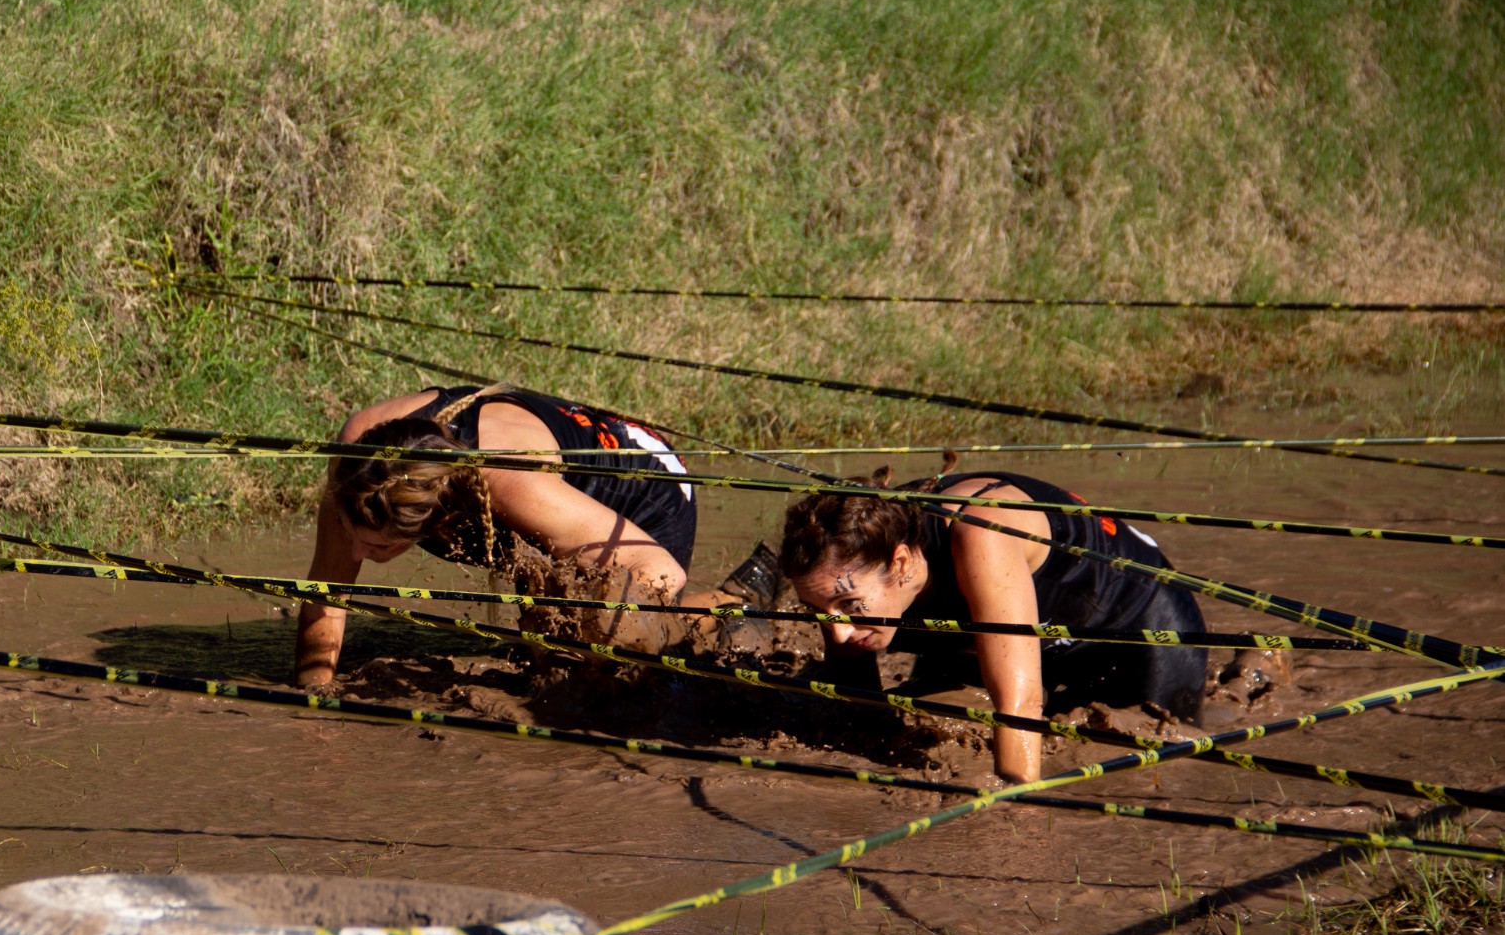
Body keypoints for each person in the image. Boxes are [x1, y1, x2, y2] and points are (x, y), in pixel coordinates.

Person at [295, 384, 765, 687]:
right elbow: (328, 591)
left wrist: (635, 624)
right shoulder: (362, 456)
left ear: (438, 521)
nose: (356, 552)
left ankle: (731, 602)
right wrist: (313, 700)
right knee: (543, 645)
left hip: (642, 490)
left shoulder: (511, 483)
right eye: (352, 533)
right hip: (548, 494)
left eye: (377, 546)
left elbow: (656, 570)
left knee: (608, 647)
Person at [780, 469, 1207, 783]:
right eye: (817, 609)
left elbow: (1017, 705)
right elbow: (859, 709)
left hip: (1132, 621)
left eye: (851, 606)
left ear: (902, 563)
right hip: (980, 629)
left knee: (1158, 766)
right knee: (922, 726)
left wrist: (1016, 821)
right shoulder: (839, 570)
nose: (836, 632)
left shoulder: (981, 533)